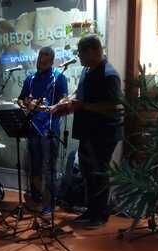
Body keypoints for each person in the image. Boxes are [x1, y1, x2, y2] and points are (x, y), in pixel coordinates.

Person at [51, 35, 123, 227]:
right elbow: (80, 95)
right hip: (87, 131)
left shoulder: (109, 74)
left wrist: (84, 106)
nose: (79, 57)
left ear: (91, 51)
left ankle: (99, 216)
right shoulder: (87, 70)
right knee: (87, 172)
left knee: (99, 173)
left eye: (80, 53)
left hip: (103, 133)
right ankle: (91, 211)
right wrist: (68, 103)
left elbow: (114, 106)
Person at [18, 46, 68, 213]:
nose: (41, 61)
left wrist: (51, 107)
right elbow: (20, 99)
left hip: (49, 131)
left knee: (50, 169)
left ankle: (49, 204)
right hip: (32, 129)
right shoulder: (30, 78)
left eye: (45, 59)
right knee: (34, 167)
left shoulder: (59, 78)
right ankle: (36, 199)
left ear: (52, 61)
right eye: (40, 58)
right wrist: (27, 103)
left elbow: (65, 101)